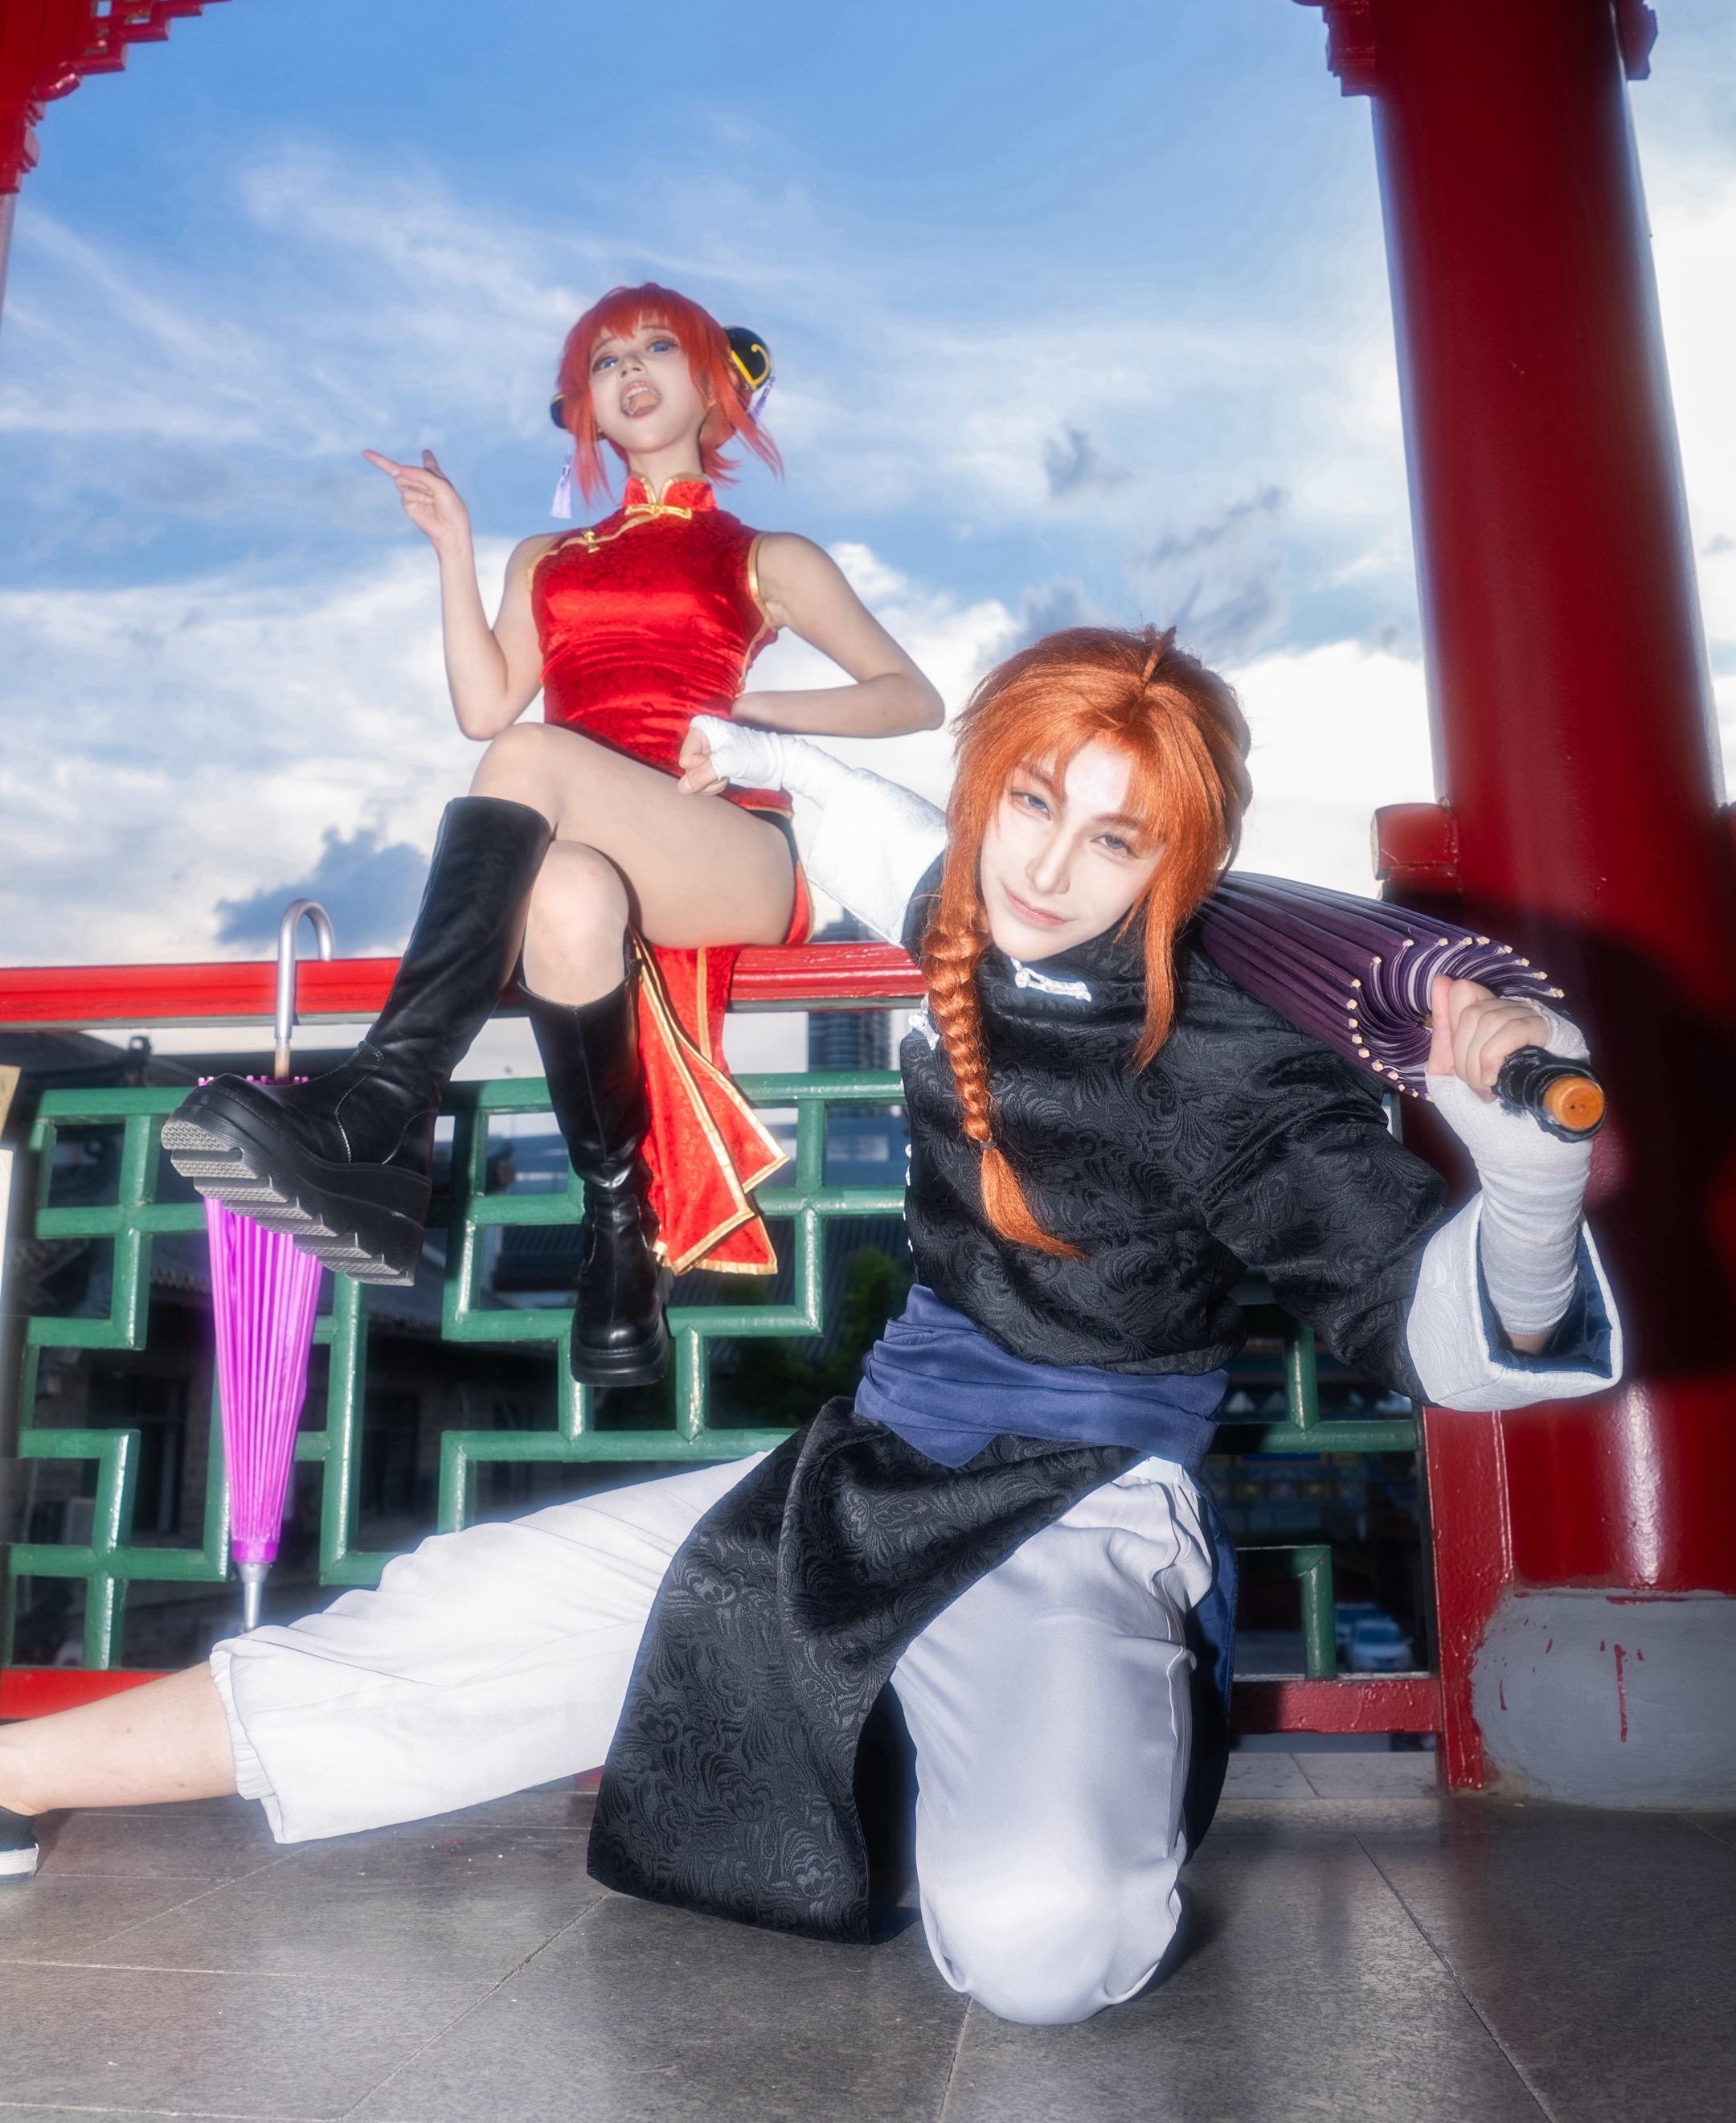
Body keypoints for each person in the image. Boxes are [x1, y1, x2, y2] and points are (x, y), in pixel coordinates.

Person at [0, 630, 1619, 2031]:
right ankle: (20, 1773)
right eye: (1032, 803)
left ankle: (921, 1745)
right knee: (465, 1614)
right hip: (863, 1477)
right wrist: (756, 750)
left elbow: (1447, 1346)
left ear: (1172, 868)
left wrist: (1532, 1188)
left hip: (1081, 1514)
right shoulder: (953, 903)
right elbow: (840, 818)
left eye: (1116, 841)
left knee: (1047, 1948)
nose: (1047, 868)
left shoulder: (1234, 1063)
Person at [161, 285, 942, 1385]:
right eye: (605, 362)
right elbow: (486, 708)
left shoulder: (766, 554)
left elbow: (911, 697)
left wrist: (753, 717)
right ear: (587, 410)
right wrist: (454, 548)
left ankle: (384, 1108)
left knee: (532, 760)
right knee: (565, 896)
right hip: (584, 835)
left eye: (657, 347)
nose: (630, 370)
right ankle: (616, 1228)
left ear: (715, 387)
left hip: (727, 841)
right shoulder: (547, 557)